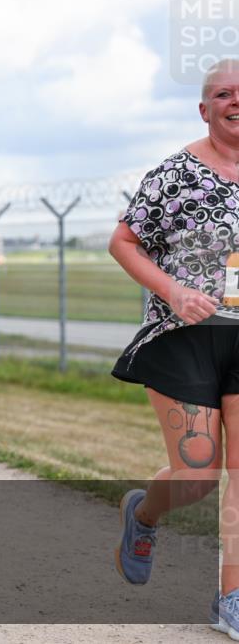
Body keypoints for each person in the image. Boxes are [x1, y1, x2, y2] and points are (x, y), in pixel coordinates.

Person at [108, 58, 239, 634]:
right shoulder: (176, 174)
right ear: (205, 108)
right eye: (224, 93)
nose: (236, 101)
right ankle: (145, 511)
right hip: (185, 335)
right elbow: (124, 241)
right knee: (197, 472)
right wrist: (175, 290)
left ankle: (231, 598)